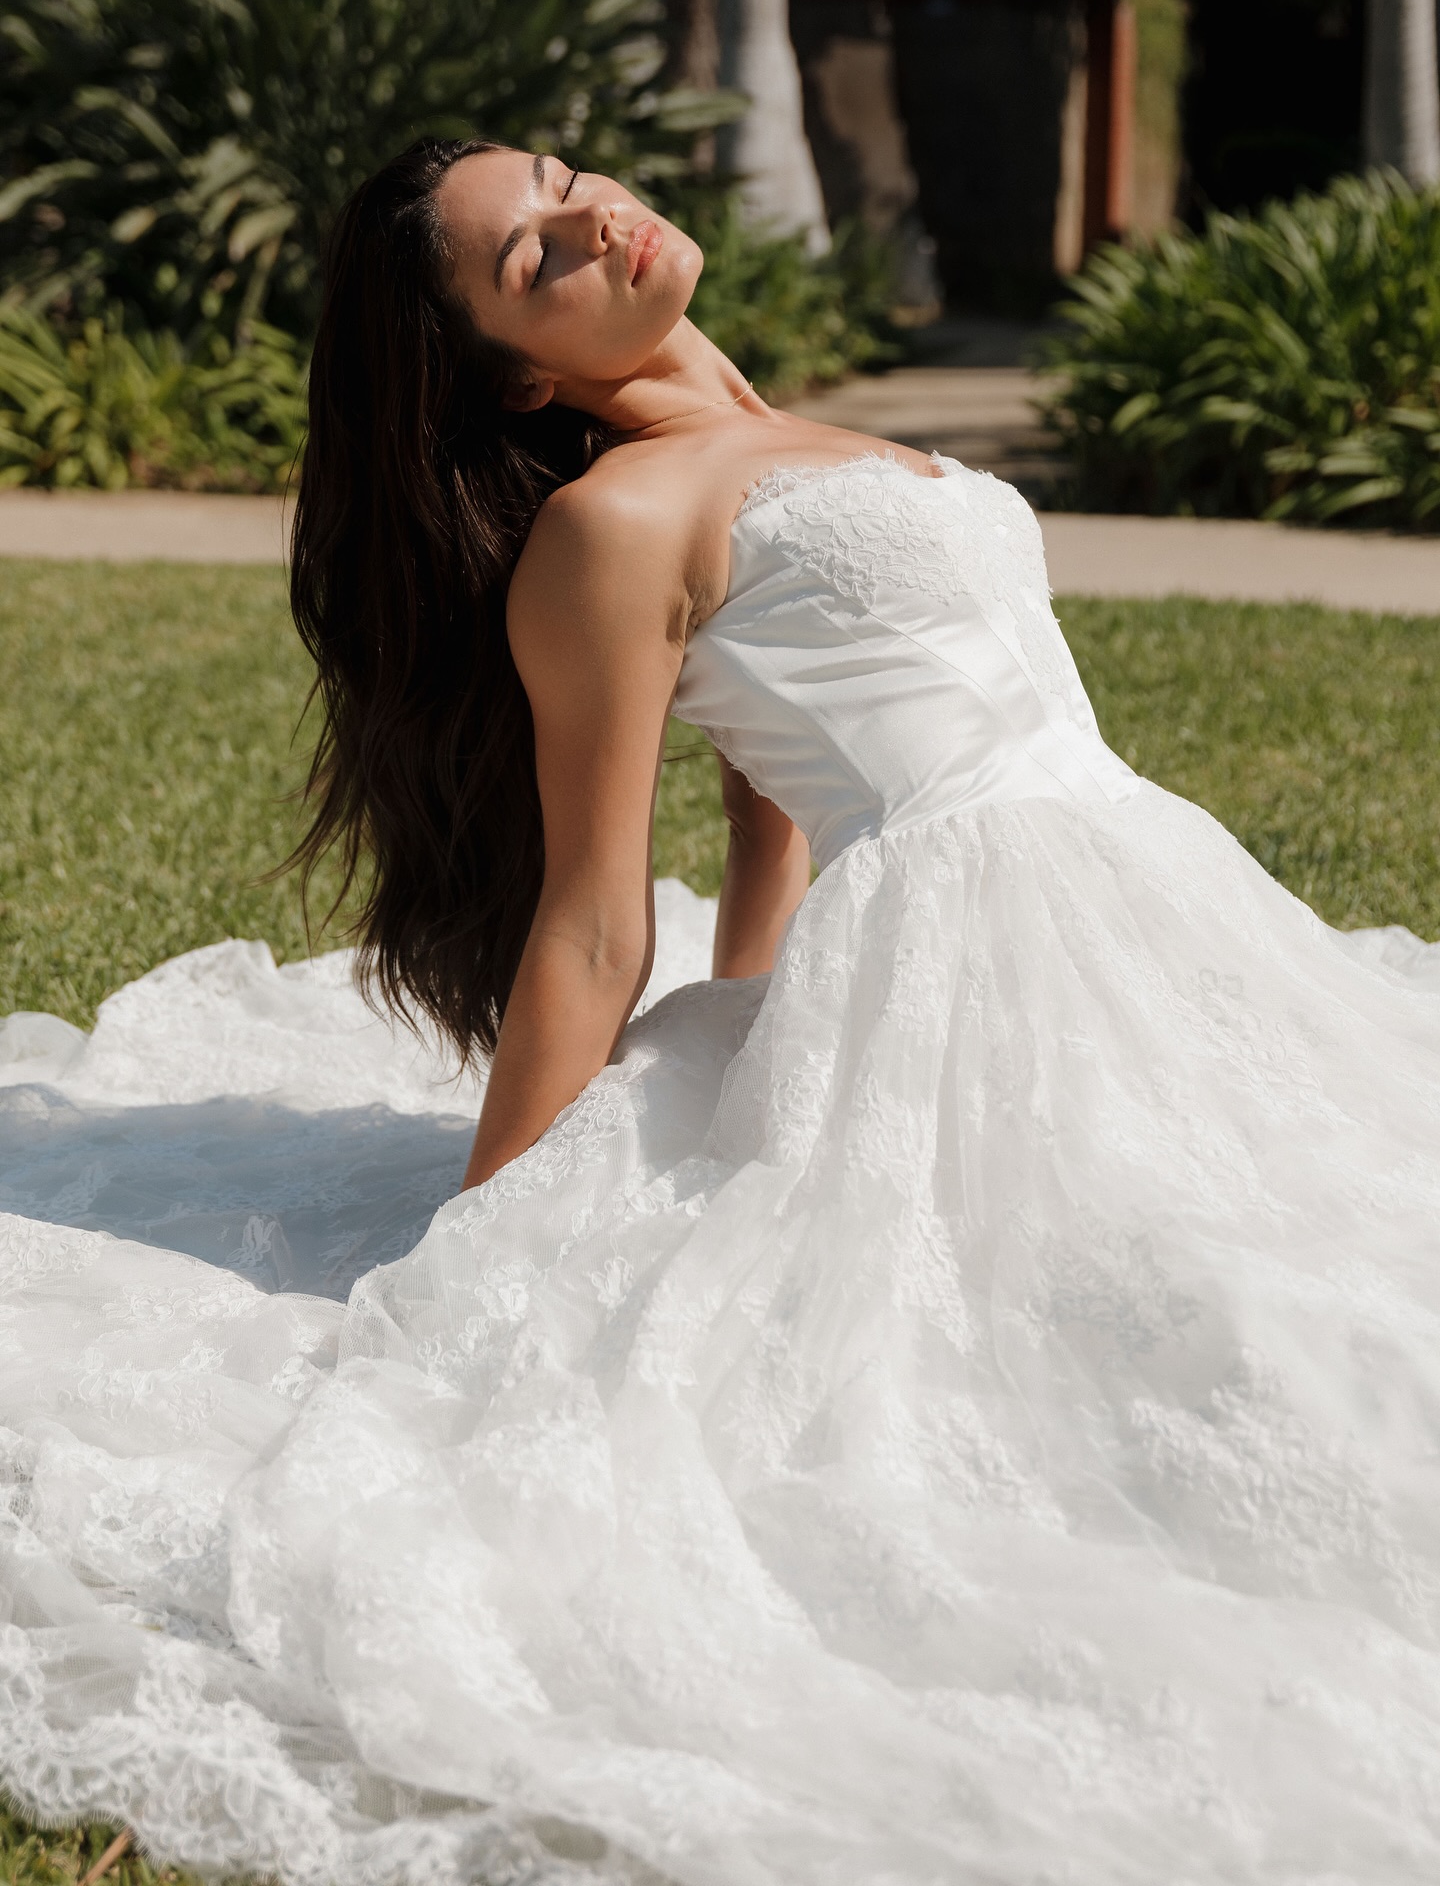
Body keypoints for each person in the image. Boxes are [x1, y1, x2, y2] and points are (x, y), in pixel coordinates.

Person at [3, 137, 1440, 1886]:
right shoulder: (616, 526)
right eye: (536, 255)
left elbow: (769, 791)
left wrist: (772, 1027)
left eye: (563, 178)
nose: (594, 213)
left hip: (1146, 892)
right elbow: (594, 926)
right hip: (1003, 933)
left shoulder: (781, 434)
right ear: (527, 373)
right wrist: (489, 1245)